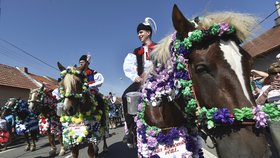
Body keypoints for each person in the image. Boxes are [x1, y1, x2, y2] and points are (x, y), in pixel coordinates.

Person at [122, 17, 157, 147]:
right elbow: (130, 67)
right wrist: (135, 77)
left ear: (148, 32)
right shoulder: (137, 52)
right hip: (141, 81)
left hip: (158, 80)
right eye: (138, 33)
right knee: (126, 96)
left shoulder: (159, 47)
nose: (139, 35)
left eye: (141, 32)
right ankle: (131, 131)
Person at [255, 61, 280, 156]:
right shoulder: (266, 88)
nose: (278, 75)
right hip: (275, 122)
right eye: (274, 73)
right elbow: (257, 103)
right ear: (270, 76)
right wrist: (268, 90)